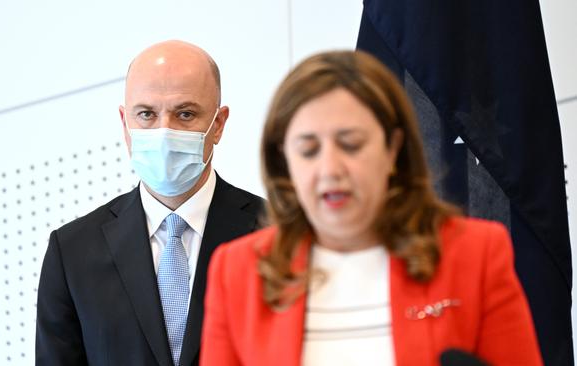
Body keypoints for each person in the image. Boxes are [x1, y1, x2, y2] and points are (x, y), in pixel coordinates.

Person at [200, 50, 542, 366]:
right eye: (308, 150)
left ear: (393, 148)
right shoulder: (238, 272)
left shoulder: (474, 253)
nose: (331, 169)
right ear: (284, 161)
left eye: (351, 145)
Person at [35, 40, 264, 366]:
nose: (164, 132)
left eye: (185, 114)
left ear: (218, 124)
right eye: (146, 114)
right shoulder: (72, 252)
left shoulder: (277, 233)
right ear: (125, 123)